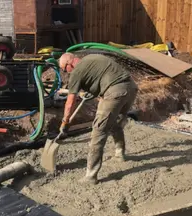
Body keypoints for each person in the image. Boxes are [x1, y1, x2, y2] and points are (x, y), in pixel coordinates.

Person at [59, 53, 138, 185]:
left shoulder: (76, 72)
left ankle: (90, 176)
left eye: (64, 69)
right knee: (115, 123)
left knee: (98, 131)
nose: (65, 72)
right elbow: (105, 75)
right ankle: (120, 153)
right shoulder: (92, 58)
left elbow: (70, 102)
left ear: (69, 64)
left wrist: (65, 121)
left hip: (114, 91)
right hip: (131, 88)